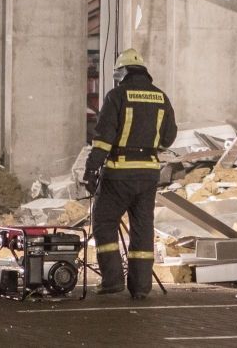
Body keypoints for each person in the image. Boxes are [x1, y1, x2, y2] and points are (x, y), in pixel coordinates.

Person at [83, 48, 176, 300]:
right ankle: (141, 287)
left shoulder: (117, 96)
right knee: (143, 228)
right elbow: (168, 137)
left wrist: (91, 168)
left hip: (119, 174)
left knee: (104, 222)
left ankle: (112, 280)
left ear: (122, 72)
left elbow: (103, 138)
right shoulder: (161, 98)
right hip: (148, 174)